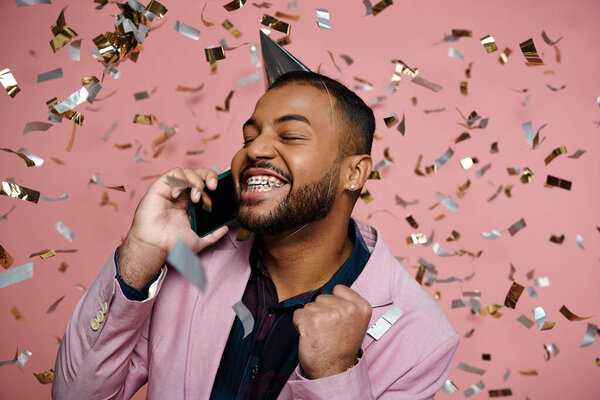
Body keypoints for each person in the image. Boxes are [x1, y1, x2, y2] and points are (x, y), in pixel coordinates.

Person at [52, 71, 458, 400]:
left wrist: (336, 376)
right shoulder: (190, 268)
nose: (255, 150)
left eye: (291, 135)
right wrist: (141, 254)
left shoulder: (421, 339)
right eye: (249, 137)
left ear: (354, 173)